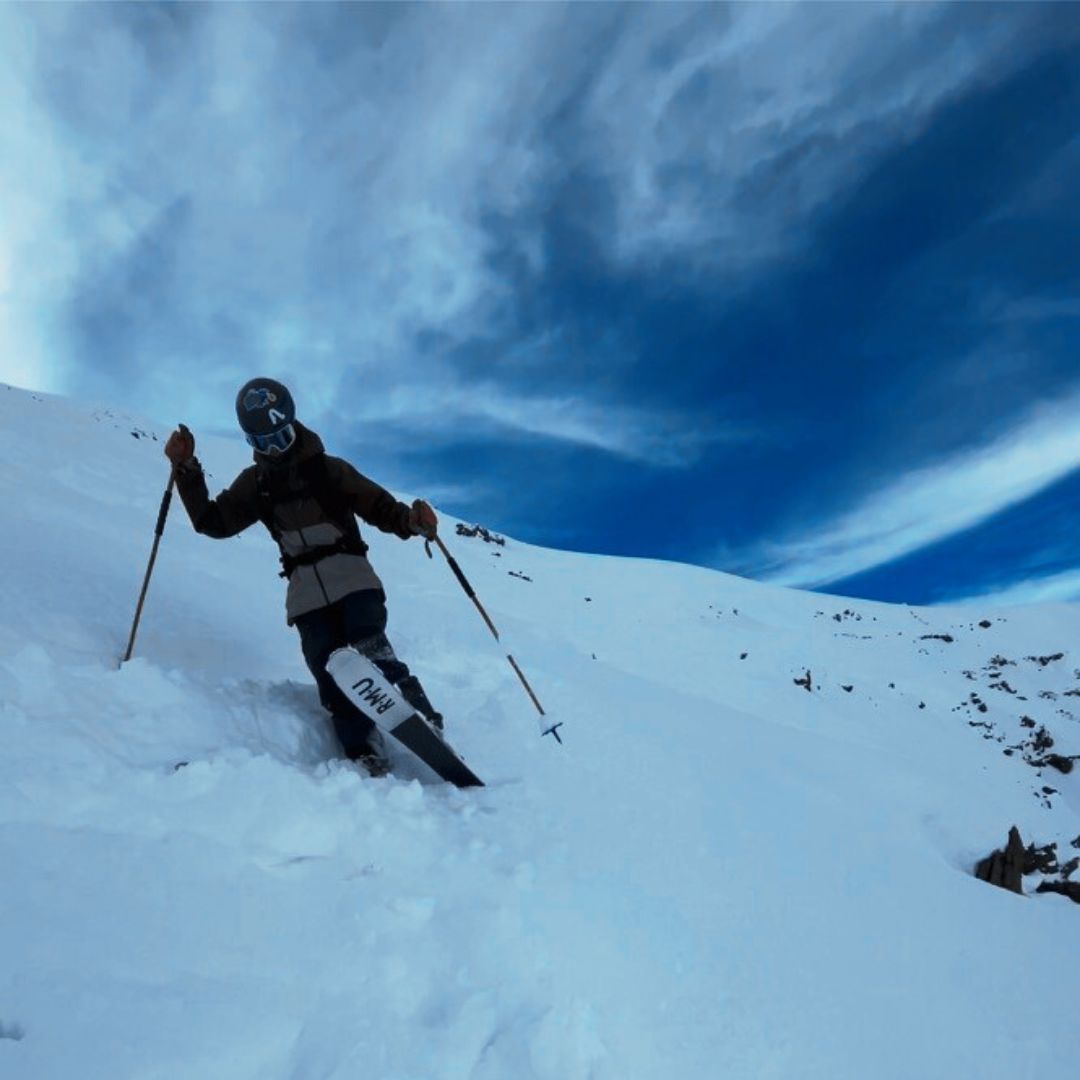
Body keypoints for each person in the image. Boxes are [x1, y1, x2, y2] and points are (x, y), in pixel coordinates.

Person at [164, 377, 442, 775]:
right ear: (251, 443)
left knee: (367, 641)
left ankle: (417, 713)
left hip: (351, 575)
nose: (275, 448)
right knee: (329, 668)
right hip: (305, 594)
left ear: (294, 425)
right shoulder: (256, 484)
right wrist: (186, 469)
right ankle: (360, 743)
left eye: (281, 435)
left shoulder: (329, 471)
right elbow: (213, 522)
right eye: (263, 442)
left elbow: (379, 506)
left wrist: (413, 522)